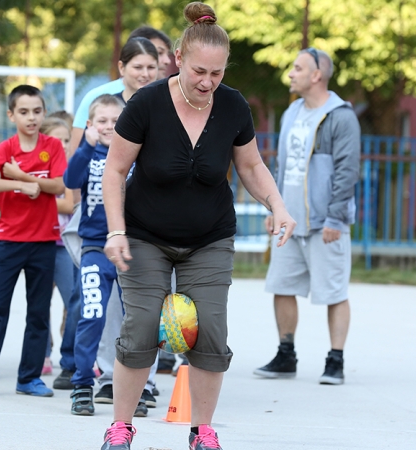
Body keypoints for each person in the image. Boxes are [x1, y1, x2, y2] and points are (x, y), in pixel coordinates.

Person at [100, 3, 296, 449]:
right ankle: (121, 427)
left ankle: (201, 430)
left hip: (209, 237)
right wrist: (115, 231)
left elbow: (250, 165)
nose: (207, 82)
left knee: (209, 329)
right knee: (143, 323)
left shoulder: (232, 106)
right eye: (199, 71)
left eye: (217, 74)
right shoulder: (146, 103)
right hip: (145, 235)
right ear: (178, 59)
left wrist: (277, 205)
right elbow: (115, 171)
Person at [254, 47, 361, 386]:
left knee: (333, 292)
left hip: (326, 223)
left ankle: (335, 360)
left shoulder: (341, 116)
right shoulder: (292, 112)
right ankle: (286, 355)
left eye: (298, 68)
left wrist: (335, 218)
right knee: (281, 287)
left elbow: (347, 171)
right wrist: (275, 208)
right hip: (291, 220)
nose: (291, 73)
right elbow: (283, 166)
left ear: (317, 75)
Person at [0, 85, 67, 397]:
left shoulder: (53, 146)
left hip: (44, 242)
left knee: (38, 312)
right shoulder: (6, 149)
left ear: (43, 113)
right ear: (11, 115)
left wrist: (25, 178)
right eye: (23, 112)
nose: (31, 117)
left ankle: (29, 378)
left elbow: (61, 185)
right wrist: (18, 184)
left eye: (37, 111)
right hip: (9, 242)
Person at [65, 94, 154, 417]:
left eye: (116, 122)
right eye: (101, 121)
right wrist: (86, 146)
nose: (108, 127)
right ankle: (82, 384)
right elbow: (70, 180)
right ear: (89, 125)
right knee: (92, 314)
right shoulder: (88, 154)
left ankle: (138, 388)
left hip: (132, 250)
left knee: (138, 321)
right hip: (95, 249)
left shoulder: (135, 157)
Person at [69, 27, 173, 155]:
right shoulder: (99, 99)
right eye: (138, 67)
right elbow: (76, 158)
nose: (145, 74)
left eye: (151, 67)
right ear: (122, 67)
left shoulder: (168, 103)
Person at [39, 116, 79, 376]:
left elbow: (69, 205)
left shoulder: (71, 167)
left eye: (67, 140)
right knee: (39, 304)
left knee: (75, 302)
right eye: (58, 139)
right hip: (40, 241)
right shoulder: (38, 168)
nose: (63, 145)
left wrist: (36, 201)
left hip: (64, 245)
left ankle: (71, 357)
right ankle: (42, 354)